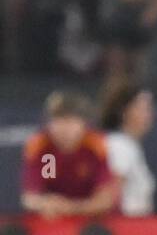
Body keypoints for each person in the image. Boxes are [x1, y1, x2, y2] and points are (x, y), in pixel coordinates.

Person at [21, 92, 118, 221]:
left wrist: (72, 208)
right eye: (58, 121)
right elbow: (29, 198)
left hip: (90, 221)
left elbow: (105, 200)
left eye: (70, 121)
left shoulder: (96, 146)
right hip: (53, 221)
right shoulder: (41, 147)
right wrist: (44, 203)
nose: (64, 129)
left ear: (84, 123)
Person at [101, 82, 156, 217]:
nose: (149, 115)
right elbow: (111, 196)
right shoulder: (120, 146)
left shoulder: (131, 147)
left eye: (149, 108)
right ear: (124, 112)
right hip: (126, 225)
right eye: (143, 109)